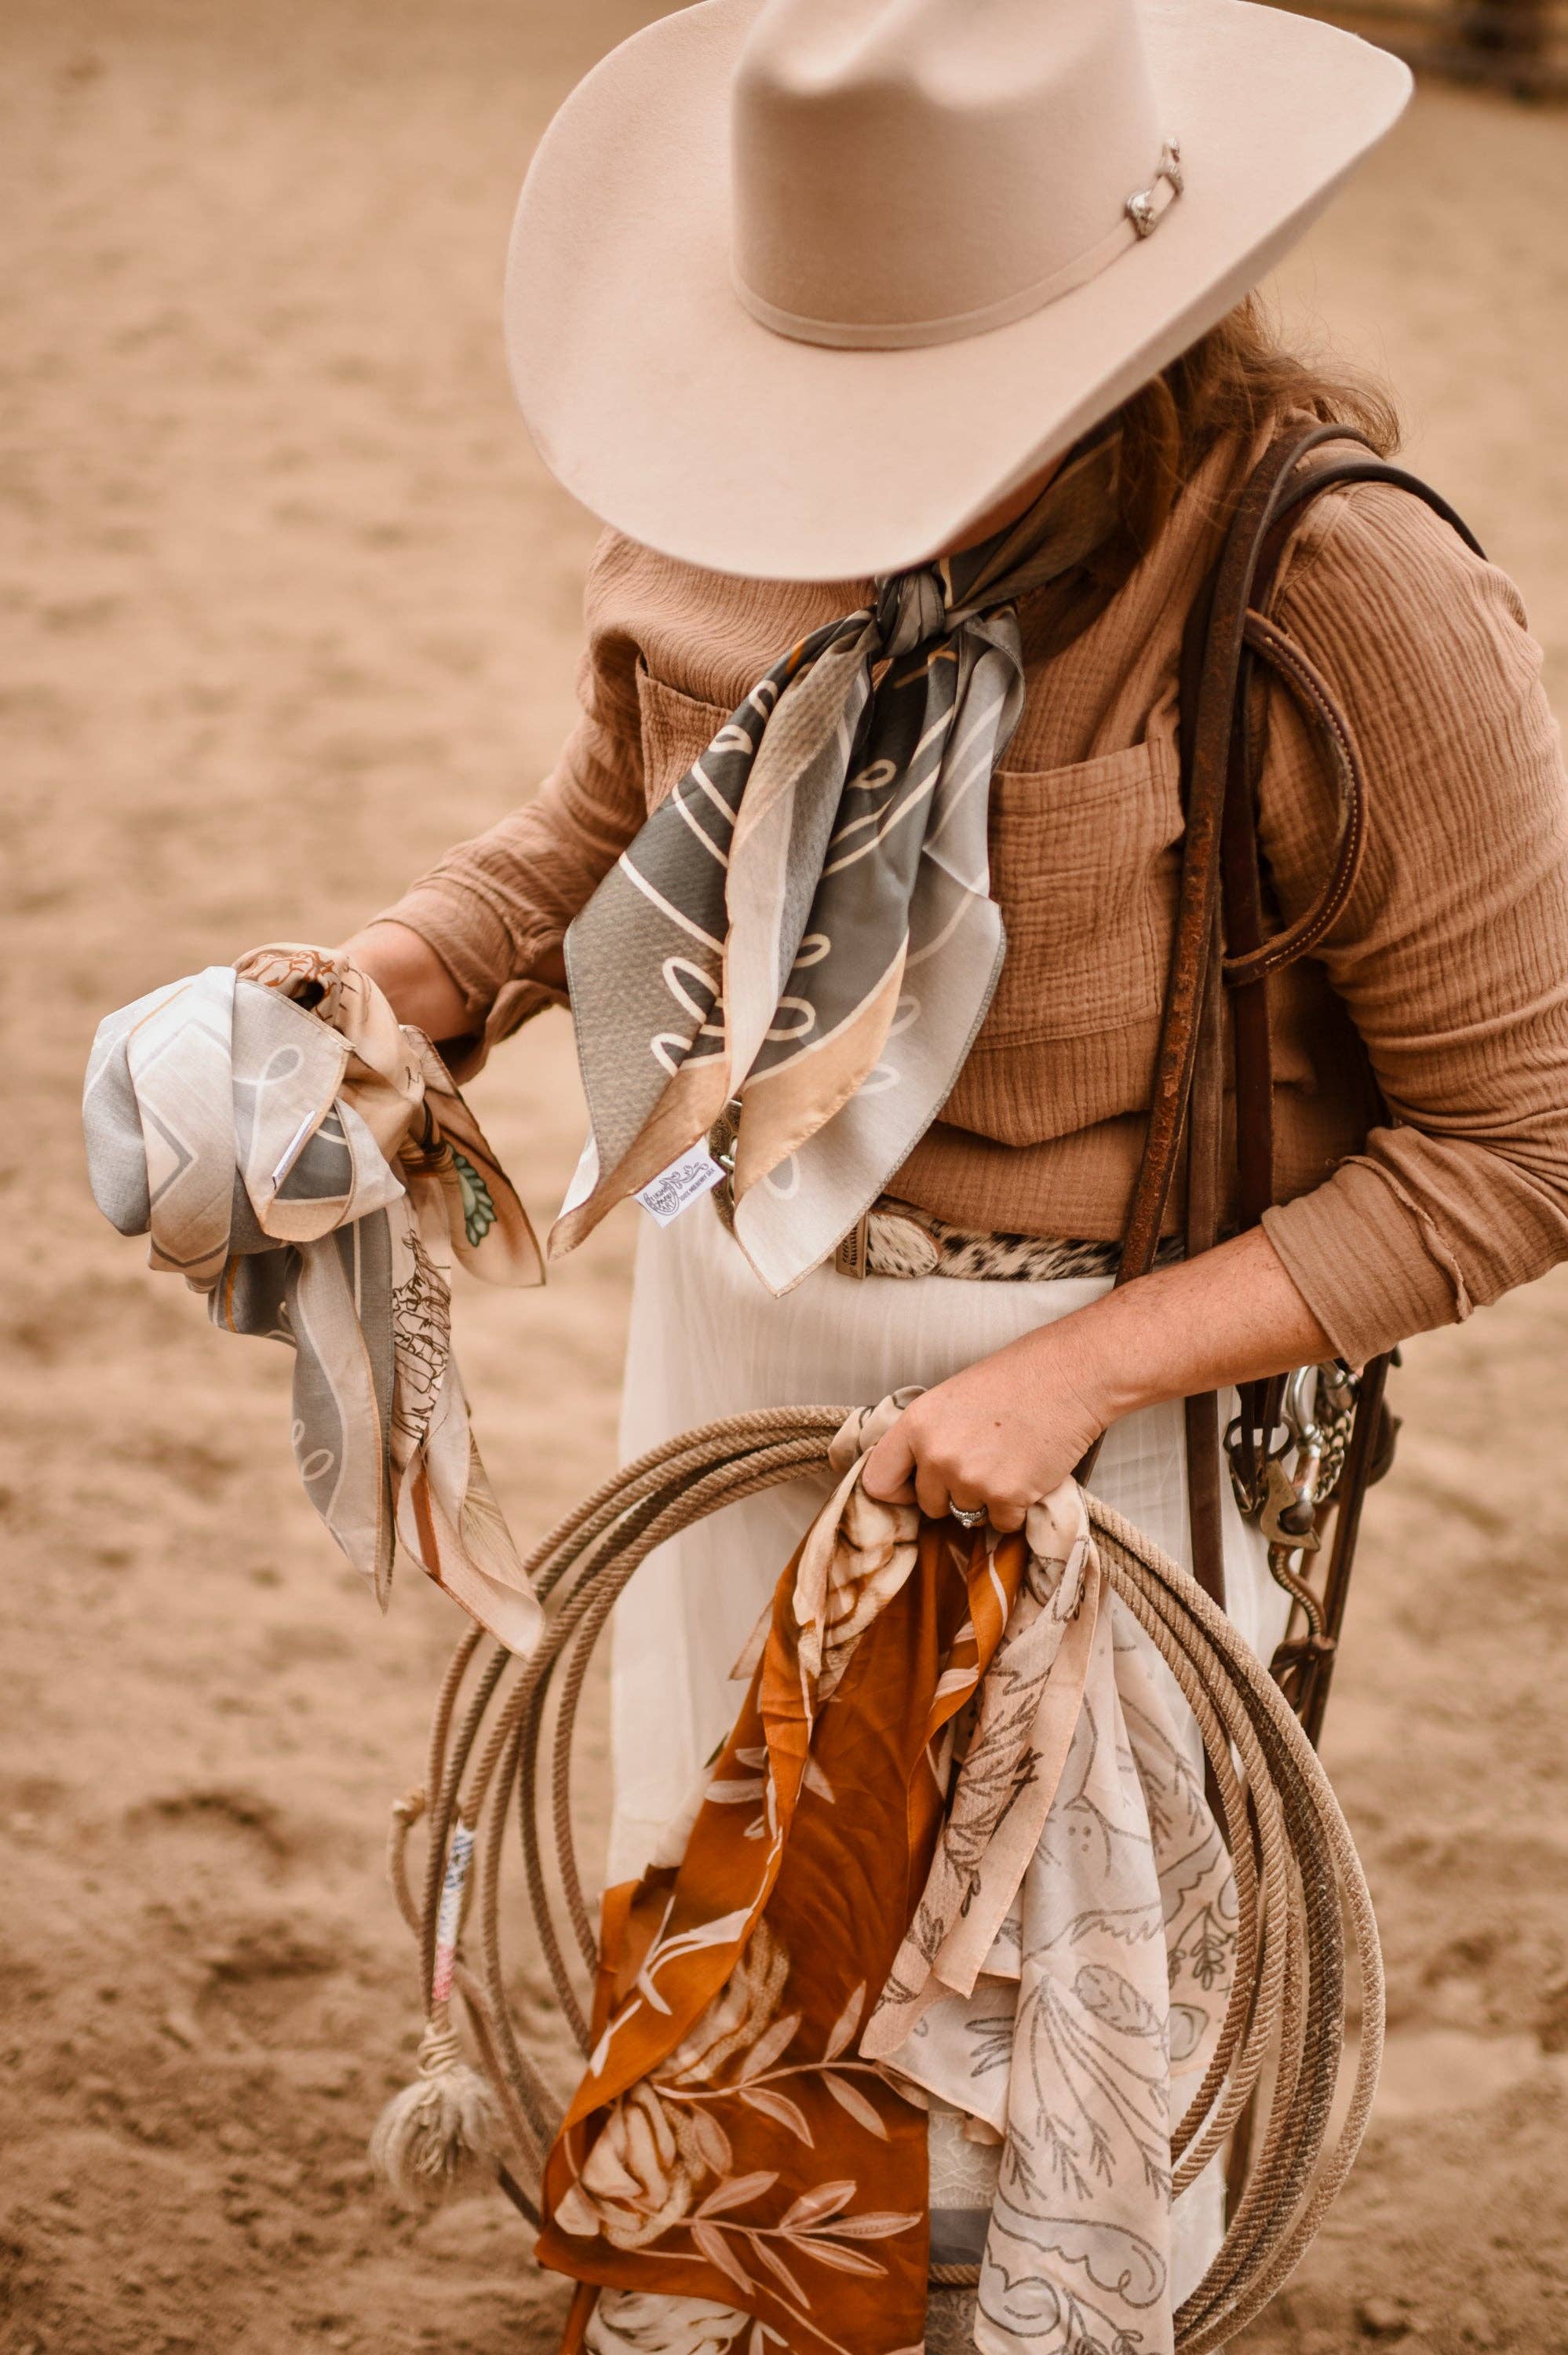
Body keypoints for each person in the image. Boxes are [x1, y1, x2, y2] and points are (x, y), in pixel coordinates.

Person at [326, 0, 1568, 2340]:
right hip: (736, 1342)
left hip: (1095, 1416)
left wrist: (1077, 1378)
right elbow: (613, 823)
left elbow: (1523, 1141)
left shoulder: (1335, 592)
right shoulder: (733, 484)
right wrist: (394, 986)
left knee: (1008, 2058)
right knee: (738, 1968)